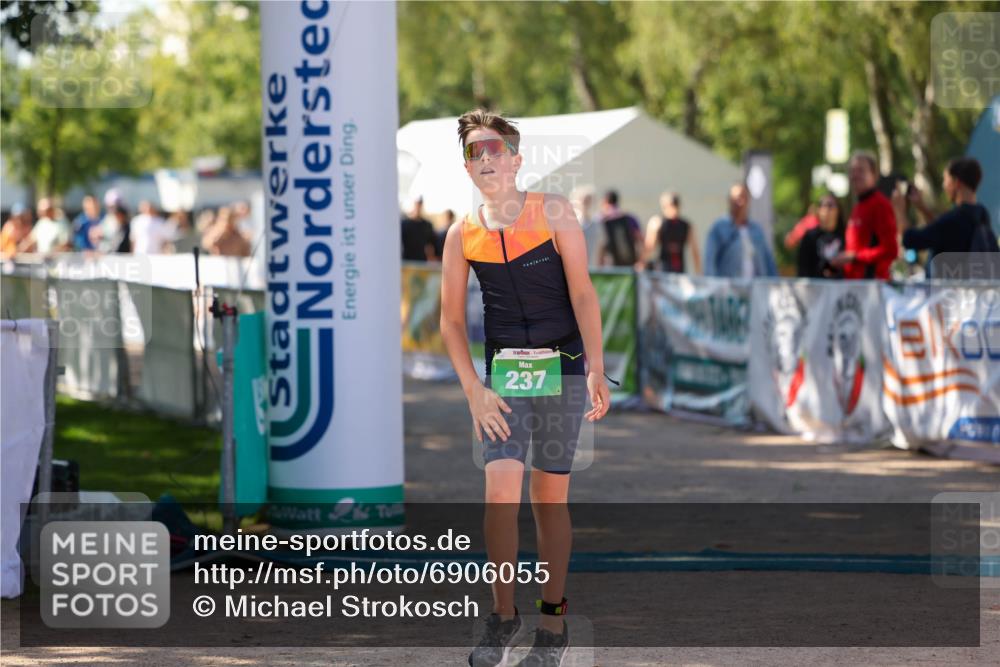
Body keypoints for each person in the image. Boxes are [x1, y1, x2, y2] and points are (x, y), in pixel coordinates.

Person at [440, 109, 611, 667]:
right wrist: (474, 391)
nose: (485, 158)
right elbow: (448, 323)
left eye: (494, 148)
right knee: (499, 495)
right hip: (504, 379)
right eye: (474, 152)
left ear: (517, 159)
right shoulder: (461, 235)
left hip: (561, 369)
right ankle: (503, 618)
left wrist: (593, 367)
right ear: (466, 168)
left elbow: (584, 294)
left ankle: (552, 626)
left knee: (548, 500)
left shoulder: (554, 212)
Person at [899, 157, 996, 277]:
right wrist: (922, 207)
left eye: (946, 180)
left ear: (957, 182)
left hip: (945, 292)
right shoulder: (982, 215)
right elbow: (942, 232)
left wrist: (899, 210)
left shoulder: (953, 220)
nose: (944, 185)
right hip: (970, 291)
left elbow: (910, 240)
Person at [830, 151, 898, 280]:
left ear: (874, 175)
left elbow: (891, 250)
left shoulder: (879, 204)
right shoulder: (858, 206)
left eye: (861, 170)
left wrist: (854, 257)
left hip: (872, 286)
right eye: (852, 170)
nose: (855, 175)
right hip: (855, 287)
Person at [703, 183, 777, 278]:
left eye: (743, 197)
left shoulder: (756, 230)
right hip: (729, 289)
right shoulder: (719, 228)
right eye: (735, 198)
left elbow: (768, 261)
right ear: (729, 201)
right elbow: (709, 261)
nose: (739, 202)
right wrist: (714, 286)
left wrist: (774, 284)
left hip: (755, 288)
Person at [643, 191, 702, 274]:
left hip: (676, 269)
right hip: (664, 269)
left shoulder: (685, 225)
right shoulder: (658, 223)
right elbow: (649, 247)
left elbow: (695, 251)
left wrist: (698, 272)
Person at [796, 193, 845, 279]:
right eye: (822, 205)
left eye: (830, 205)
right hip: (815, 287)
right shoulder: (810, 236)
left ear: (838, 210)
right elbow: (803, 269)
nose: (826, 209)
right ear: (818, 210)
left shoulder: (846, 235)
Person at [598, 190, 643, 268]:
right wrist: (641, 260)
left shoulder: (600, 219)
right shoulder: (630, 218)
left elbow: (598, 244)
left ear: (604, 201)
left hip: (609, 264)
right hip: (630, 261)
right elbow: (640, 239)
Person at [569, 185, 604, 266]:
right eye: (584, 201)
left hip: (592, 268)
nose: (587, 204)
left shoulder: (597, 224)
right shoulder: (570, 224)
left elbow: (601, 248)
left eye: (589, 201)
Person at [401, 195, 438, 261]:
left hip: (421, 262)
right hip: (407, 262)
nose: (418, 206)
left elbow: (432, 245)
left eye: (420, 203)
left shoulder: (427, 225)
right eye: (417, 203)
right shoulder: (404, 224)